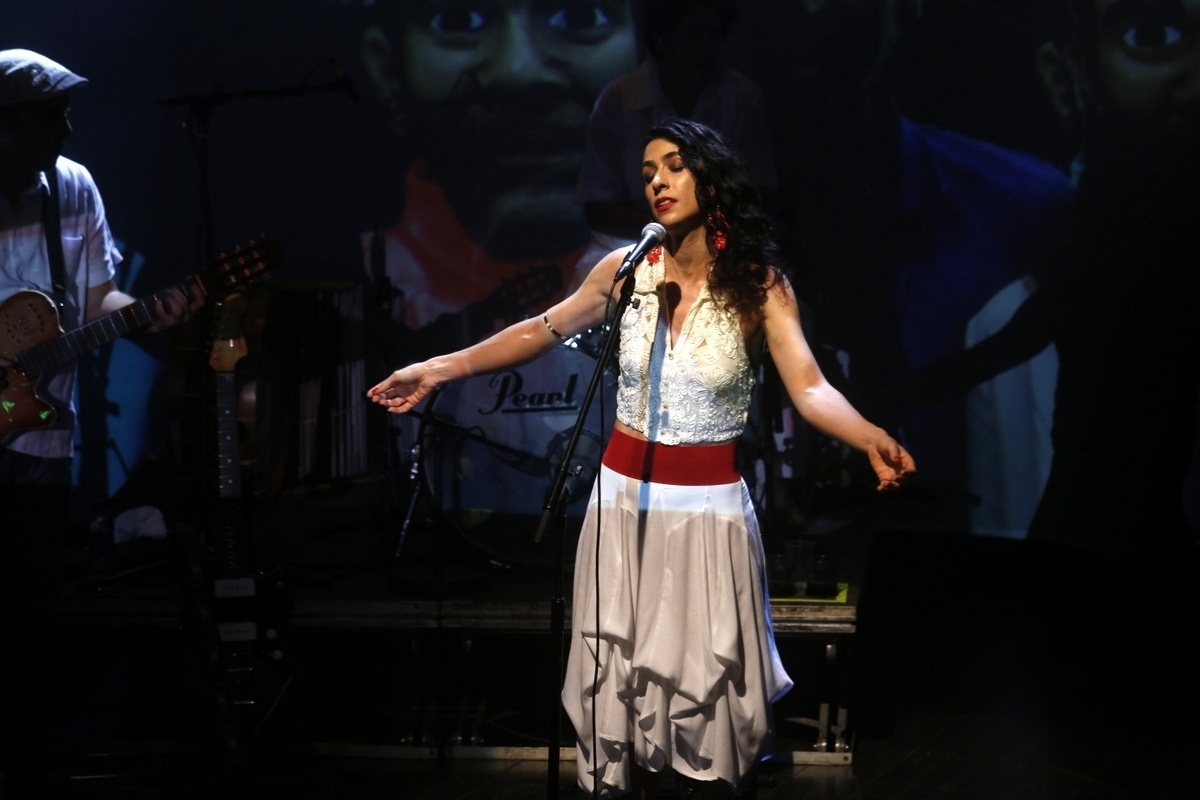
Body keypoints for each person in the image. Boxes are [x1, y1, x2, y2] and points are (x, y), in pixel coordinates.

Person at [369, 118, 915, 798]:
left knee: (704, 691)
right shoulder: (624, 271)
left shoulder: (758, 284)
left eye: (675, 166)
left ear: (711, 178)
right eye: (648, 171)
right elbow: (540, 330)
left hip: (707, 514)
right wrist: (440, 366)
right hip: (623, 504)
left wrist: (869, 436)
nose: (657, 180)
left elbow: (808, 386)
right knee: (617, 684)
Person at [0, 49, 201, 796]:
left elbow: (97, 302)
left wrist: (155, 314)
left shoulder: (72, 188)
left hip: (42, 437)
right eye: (50, 112)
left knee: (26, 611)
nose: (67, 125)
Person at [353, 0, 639, 356]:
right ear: (388, 69)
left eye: (581, 17)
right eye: (458, 20)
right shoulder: (358, 284)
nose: (518, 71)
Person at [572, 0, 779, 277]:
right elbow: (598, 209)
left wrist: (702, 233)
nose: (704, 47)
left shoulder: (740, 97)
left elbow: (757, 193)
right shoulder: (618, 100)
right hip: (630, 245)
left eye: (713, 35)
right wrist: (668, 228)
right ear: (662, 37)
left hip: (721, 246)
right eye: (692, 34)